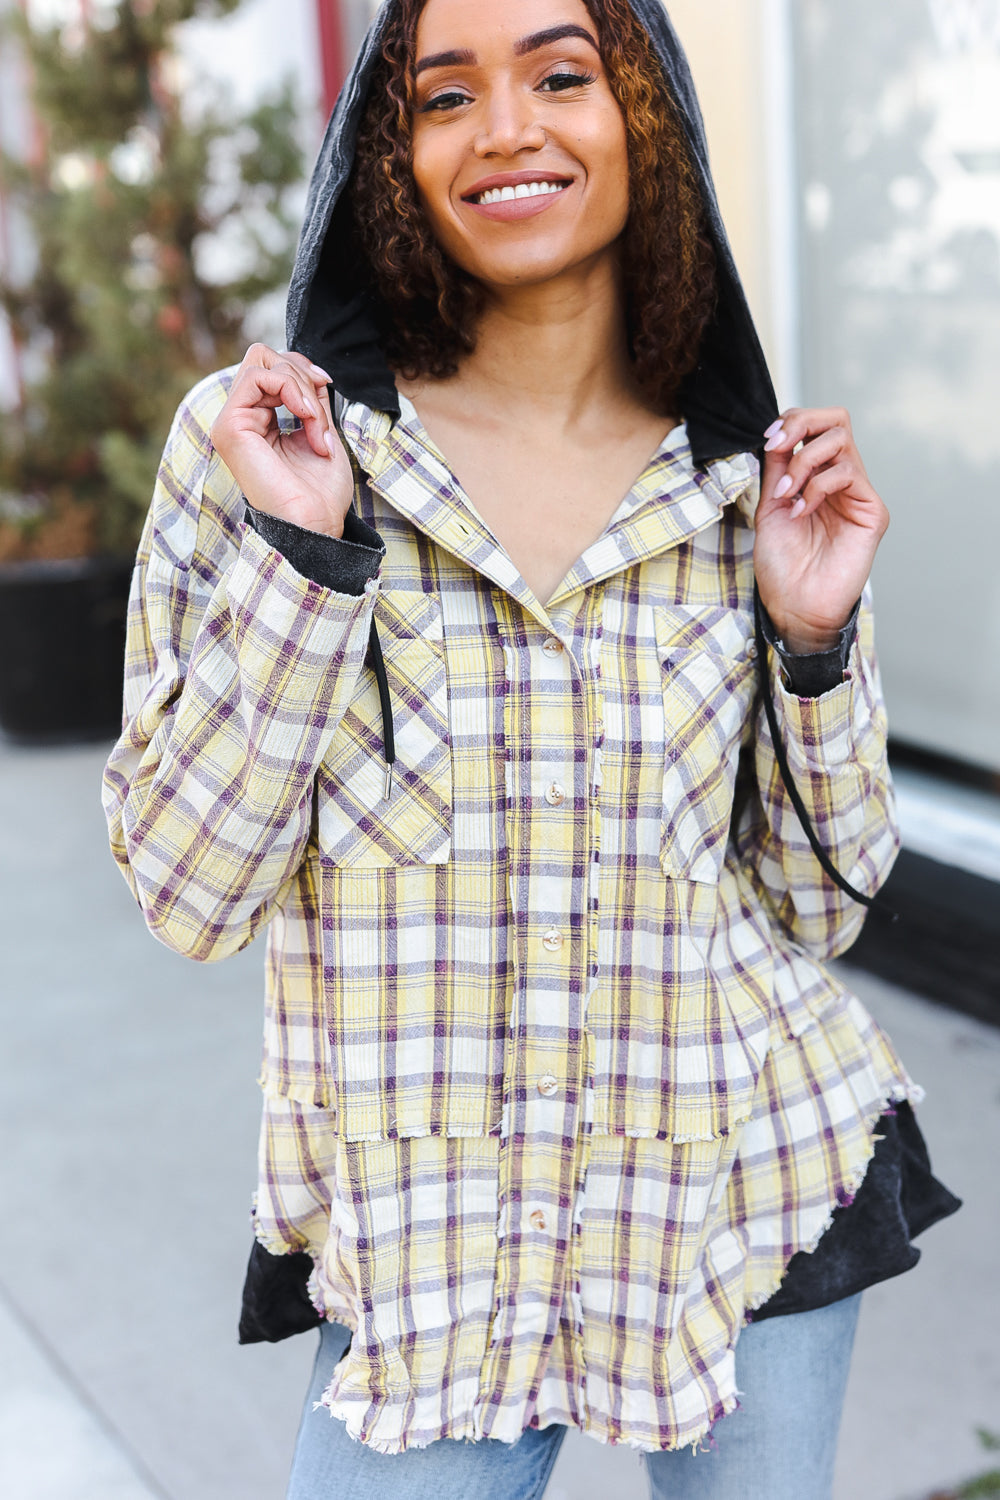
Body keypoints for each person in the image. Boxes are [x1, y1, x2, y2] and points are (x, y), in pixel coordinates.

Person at [102, 1, 959, 1496]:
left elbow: (820, 908)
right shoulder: (272, 448)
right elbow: (191, 895)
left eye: (561, 75)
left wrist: (812, 645)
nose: (505, 128)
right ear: (389, 149)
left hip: (740, 1179)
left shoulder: (744, 483)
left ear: (648, 116)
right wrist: (309, 572)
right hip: (433, 1262)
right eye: (445, 95)